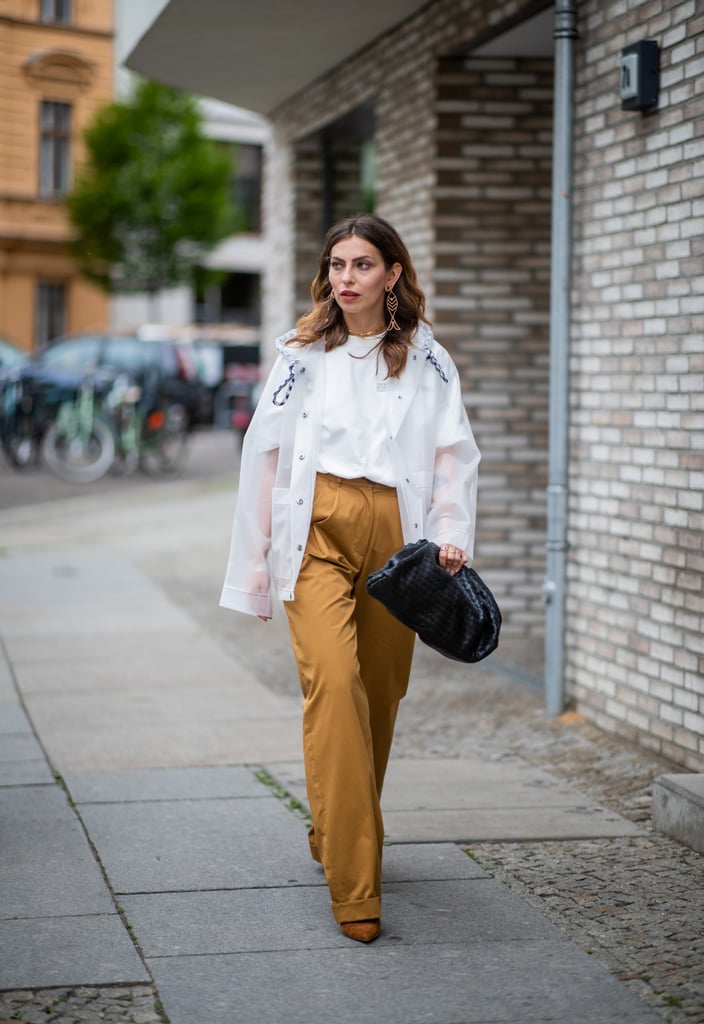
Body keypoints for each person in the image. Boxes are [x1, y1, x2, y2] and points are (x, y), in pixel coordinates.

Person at [220, 214, 480, 943]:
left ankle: (333, 825)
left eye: (362, 264)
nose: (346, 277)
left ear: (392, 275)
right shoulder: (301, 354)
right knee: (333, 683)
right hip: (317, 531)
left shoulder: (427, 359)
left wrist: (453, 535)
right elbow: (262, 455)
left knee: (382, 695)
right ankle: (356, 887)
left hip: (398, 541)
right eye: (337, 264)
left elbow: (456, 451)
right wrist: (253, 568)